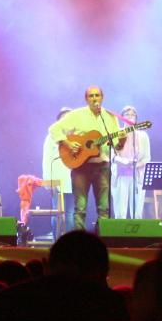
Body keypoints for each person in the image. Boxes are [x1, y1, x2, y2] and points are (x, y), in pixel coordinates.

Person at [48, 85, 125, 231]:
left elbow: (116, 145)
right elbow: (54, 129)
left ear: (102, 98)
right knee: (80, 208)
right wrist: (68, 143)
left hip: (103, 166)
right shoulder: (77, 115)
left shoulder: (110, 116)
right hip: (81, 166)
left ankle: (102, 241)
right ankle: (79, 242)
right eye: (91, 96)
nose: (94, 98)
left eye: (97, 95)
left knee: (104, 208)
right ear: (86, 99)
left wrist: (122, 141)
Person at [111, 105, 151, 219]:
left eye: (133, 115)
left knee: (137, 212)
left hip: (137, 175)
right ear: (122, 117)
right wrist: (124, 162)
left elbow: (147, 158)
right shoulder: (116, 133)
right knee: (120, 212)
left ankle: (136, 235)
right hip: (120, 175)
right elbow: (111, 156)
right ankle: (119, 235)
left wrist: (135, 165)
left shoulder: (143, 136)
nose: (130, 117)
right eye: (127, 114)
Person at [41, 107, 75, 236]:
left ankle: (70, 243)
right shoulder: (52, 136)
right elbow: (47, 158)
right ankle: (56, 241)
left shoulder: (77, 136)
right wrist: (48, 181)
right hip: (57, 180)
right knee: (57, 213)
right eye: (64, 117)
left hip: (73, 181)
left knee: (71, 214)